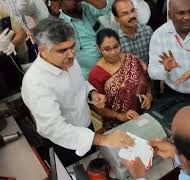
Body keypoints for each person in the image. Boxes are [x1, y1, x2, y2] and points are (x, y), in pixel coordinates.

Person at [21, 18, 134, 166]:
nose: (71, 54)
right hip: (63, 143)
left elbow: (80, 83)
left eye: (72, 47)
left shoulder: (68, 61)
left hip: (87, 128)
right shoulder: (35, 83)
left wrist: (92, 94)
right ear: (43, 50)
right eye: (63, 50)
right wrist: (103, 139)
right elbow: (55, 128)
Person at [88, 28, 152, 129]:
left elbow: (146, 80)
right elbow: (97, 107)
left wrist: (148, 96)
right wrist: (120, 116)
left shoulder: (131, 59)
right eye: (107, 49)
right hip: (117, 126)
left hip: (142, 116)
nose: (113, 52)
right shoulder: (96, 74)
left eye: (116, 47)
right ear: (98, 48)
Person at [58, 0, 115, 79]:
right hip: (91, 76)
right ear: (61, 3)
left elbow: (105, 7)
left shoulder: (87, 7)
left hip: (113, 63)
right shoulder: (61, 24)